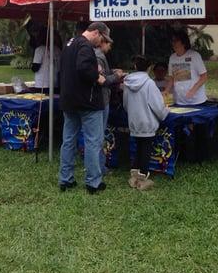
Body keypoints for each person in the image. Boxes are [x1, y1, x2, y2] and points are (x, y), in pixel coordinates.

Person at [58, 22, 111, 194]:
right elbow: (83, 68)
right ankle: (93, 183)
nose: (101, 43)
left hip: (69, 100)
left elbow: (65, 70)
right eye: (102, 38)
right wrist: (98, 77)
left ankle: (65, 179)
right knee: (93, 142)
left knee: (68, 140)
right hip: (87, 102)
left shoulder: (69, 43)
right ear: (96, 32)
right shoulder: (86, 46)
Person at [123, 56, 169, 190]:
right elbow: (157, 105)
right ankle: (142, 177)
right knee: (146, 149)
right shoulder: (149, 83)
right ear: (149, 68)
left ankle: (134, 174)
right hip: (147, 122)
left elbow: (125, 104)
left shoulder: (127, 83)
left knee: (138, 147)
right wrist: (165, 112)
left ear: (135, 67)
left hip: (134, 121)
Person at [165, 30, 209, 160]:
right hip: (180, 100)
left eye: (176, 41)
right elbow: (172, 78)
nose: (173, 44)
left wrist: (193, 90)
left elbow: (204, 76)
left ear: (183, 43)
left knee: (200, 130)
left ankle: (200, 156)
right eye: (172, 41)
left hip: (197, 100)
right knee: (179, 130)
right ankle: (181, 155)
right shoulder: (172, 58)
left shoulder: (195, 56)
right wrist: (167, 90)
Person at [94, 35, 124, 174]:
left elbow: (103, 74)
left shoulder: (98, 56)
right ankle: (99, 167)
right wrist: (117, 76)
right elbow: (102, 80)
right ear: (102, 43)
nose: (110, 47)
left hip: (101, 99)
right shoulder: (99, 57)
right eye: (109, 44)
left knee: (97, 135)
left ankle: (99, 166)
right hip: (102, 99)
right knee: (98, 136)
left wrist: (112, 71)